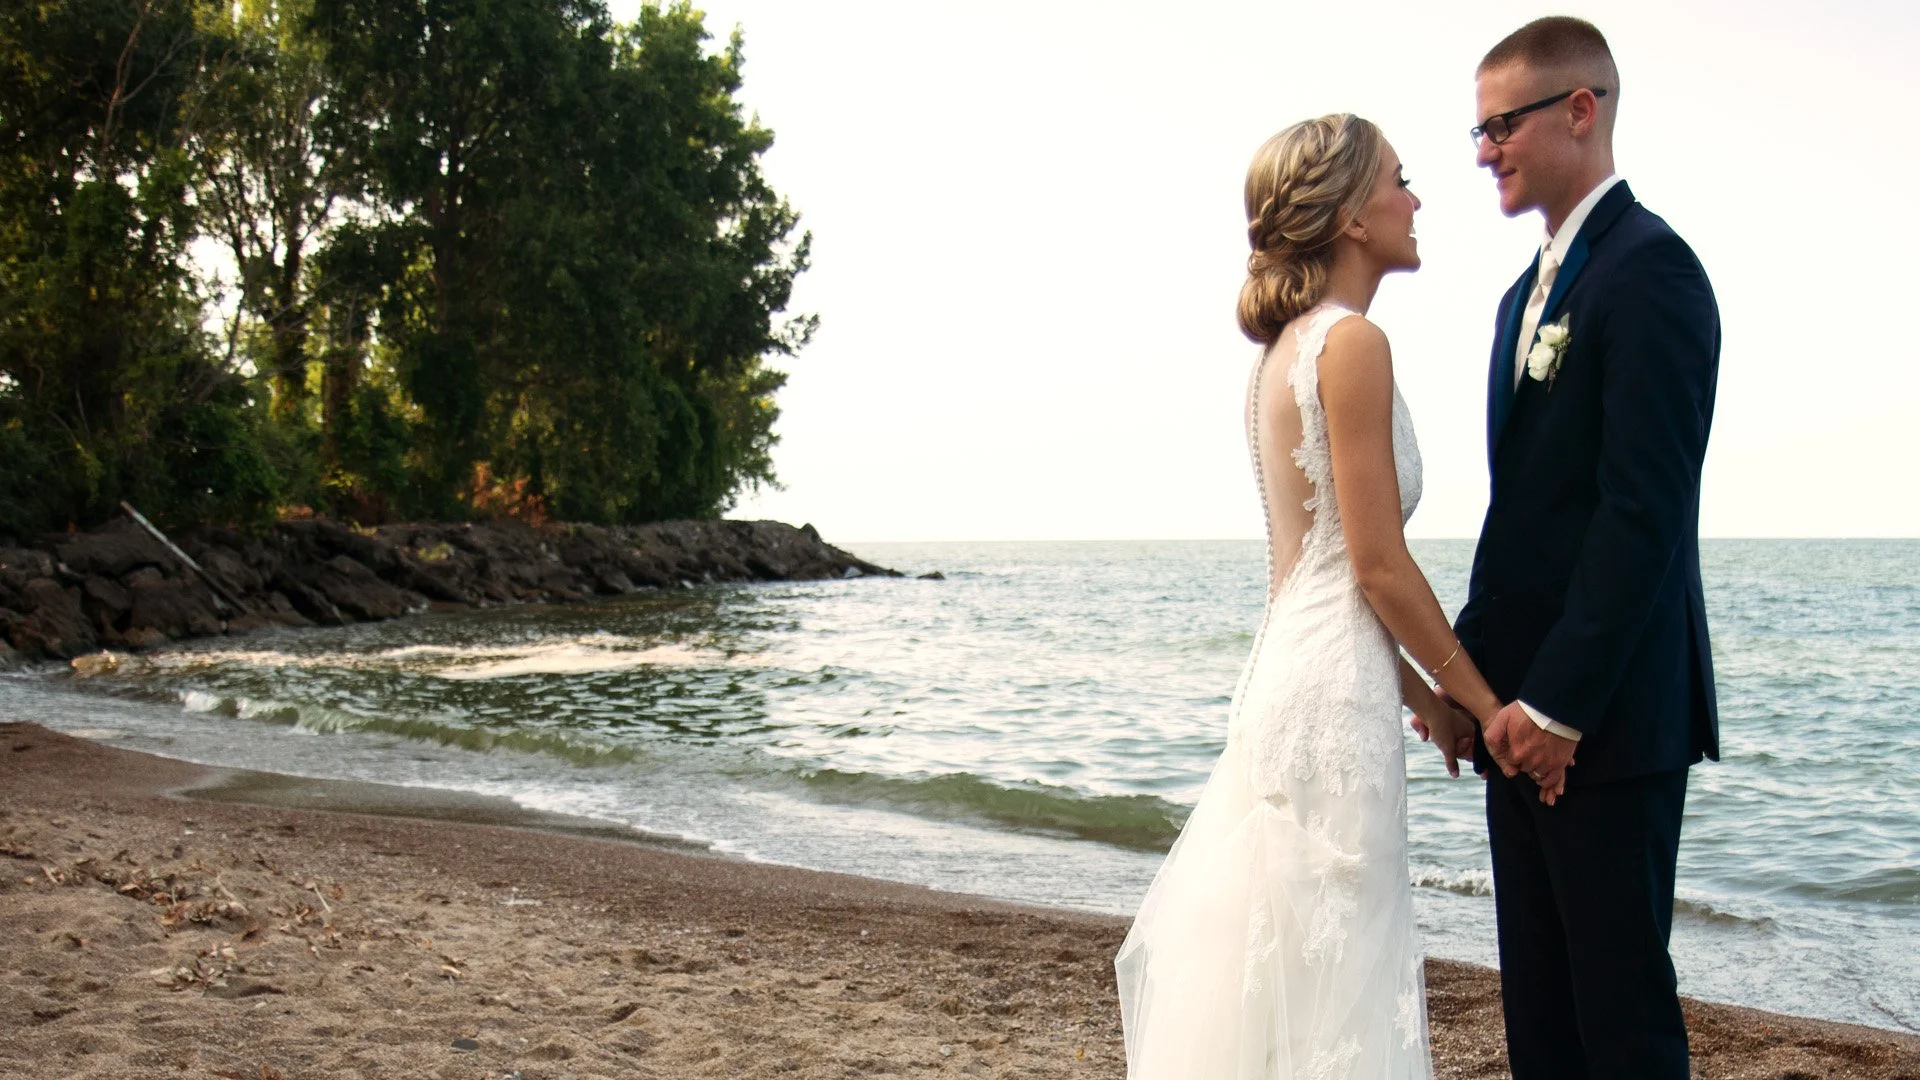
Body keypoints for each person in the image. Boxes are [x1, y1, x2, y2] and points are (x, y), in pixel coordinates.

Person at [1114, 113, 1519, 1079]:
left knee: (1292, 969)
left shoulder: (1279, 355)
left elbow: (1315, 572)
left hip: (1295, 675)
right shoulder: (1353, 345)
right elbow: (1374, 564)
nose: (1416, 199)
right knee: (1336, 969)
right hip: (1329, 699)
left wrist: (1420, 700)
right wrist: (1483, 701)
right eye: (1398, 179)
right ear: (1349, 216)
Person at [1453, 16, 1721, 1079]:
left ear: (1580, 110)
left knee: (1622, 1023)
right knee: (1543, 1025)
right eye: (1474, 132)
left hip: (1605, 724)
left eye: (1500, 124)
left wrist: (1560, 709)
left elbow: (1641, 511)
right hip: (1518, 723)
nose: (1483, 152)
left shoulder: (1654, 272)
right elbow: (1522, 519)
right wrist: (1476, 692)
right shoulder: (1526, 295)